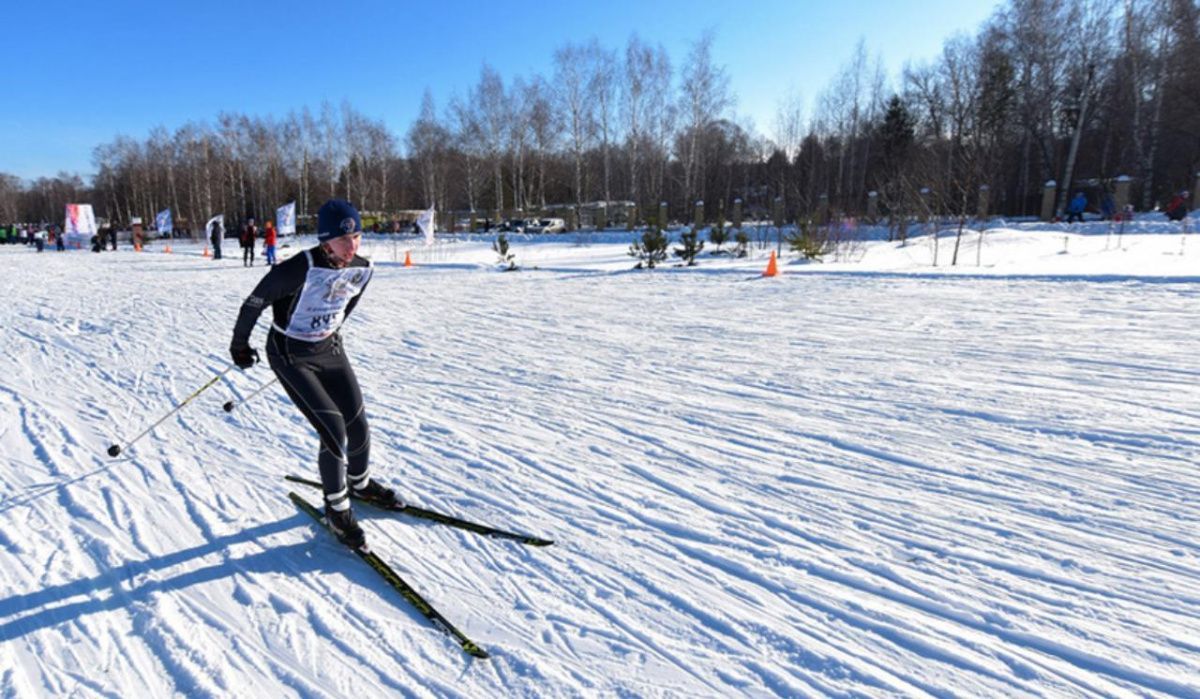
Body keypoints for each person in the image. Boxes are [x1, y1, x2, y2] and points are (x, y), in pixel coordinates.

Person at [228, 199, 396, 548]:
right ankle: (336, 510)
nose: (352, 247)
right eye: (344, 240)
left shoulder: (362, 268)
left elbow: (344, 307)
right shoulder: (295, 269)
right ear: (325, 241)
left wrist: (327, 332)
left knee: (357, 420)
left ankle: (360, 484)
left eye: (358, 238)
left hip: (328, 350)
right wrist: (240, 347)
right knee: (333, 426)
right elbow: (253, 304)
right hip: (291, 354)